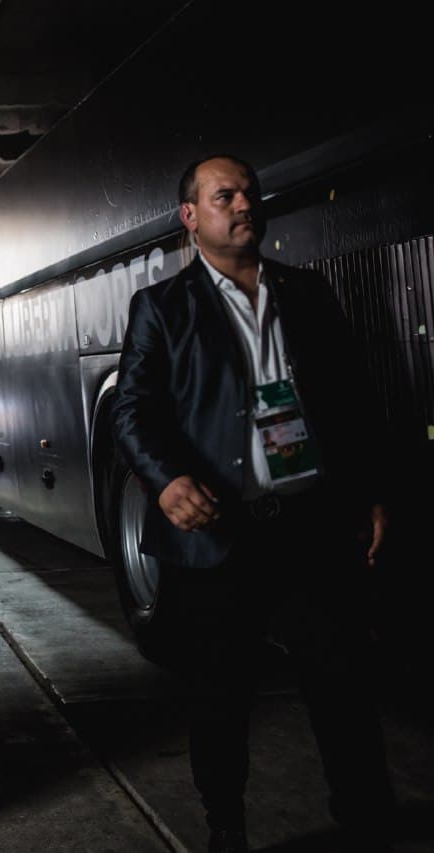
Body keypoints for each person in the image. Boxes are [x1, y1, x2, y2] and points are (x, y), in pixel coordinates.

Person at [112, 155, 395, 853]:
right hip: (219, 536)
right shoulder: (161, 307)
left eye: (249, 193)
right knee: (219, 697)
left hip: (311, 527)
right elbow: (133, 412)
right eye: (225, 195)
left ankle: (365, 818)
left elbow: (354, 400)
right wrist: (165, 479)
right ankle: (225, 825)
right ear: (191, 216)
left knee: (344, 684)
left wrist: (370, 491)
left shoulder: (306, 291)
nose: (244, 204)